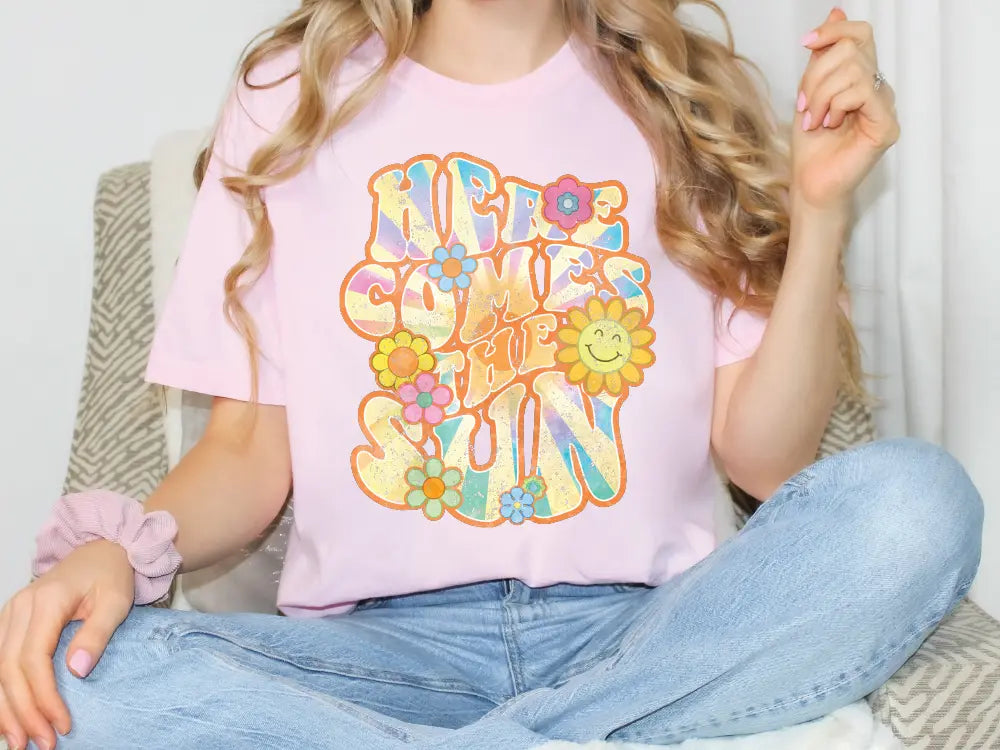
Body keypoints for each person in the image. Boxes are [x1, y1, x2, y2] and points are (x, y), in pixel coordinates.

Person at [0, 1, 983, 749]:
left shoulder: (686, 101)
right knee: (71, 677)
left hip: (646, 632)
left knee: (916, 504)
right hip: (386, 659)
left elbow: (768, 464)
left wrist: (819, 213)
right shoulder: (291, 95)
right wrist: (122, 554)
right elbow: (246, 453)